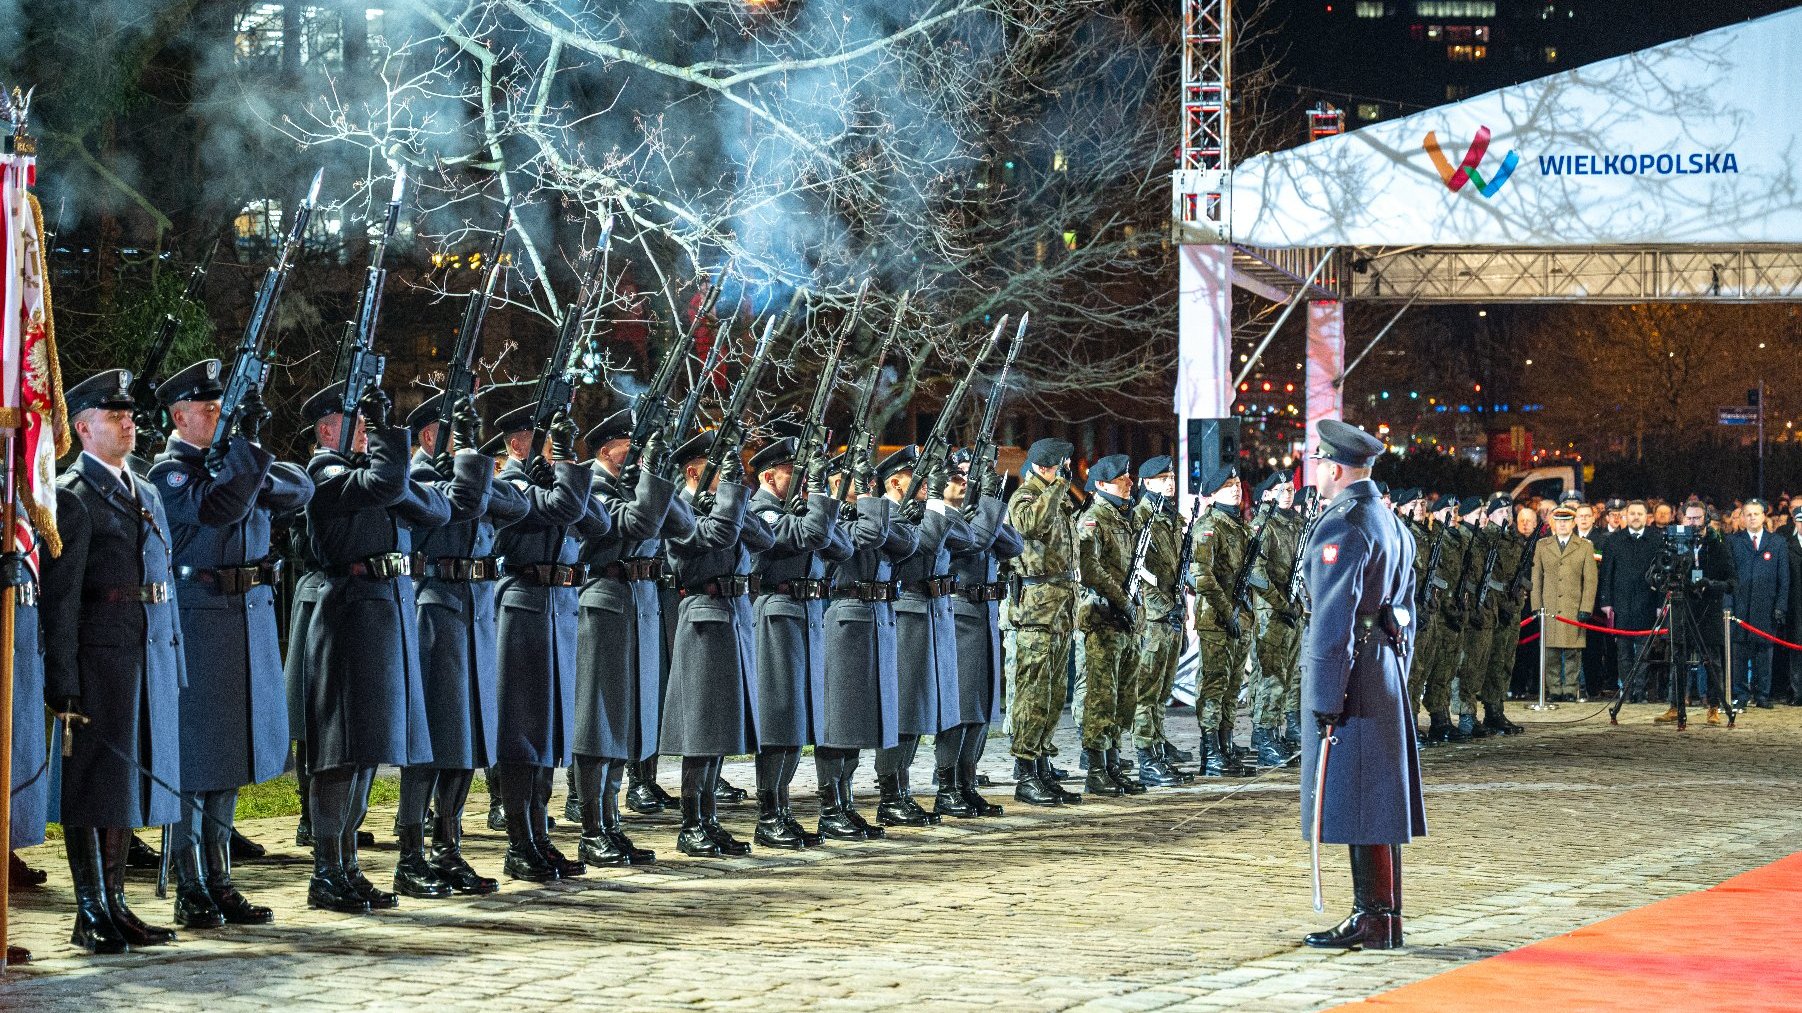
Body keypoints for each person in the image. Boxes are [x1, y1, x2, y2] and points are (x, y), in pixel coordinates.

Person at [149, 360, 313, 927]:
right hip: (200, 618)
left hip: (243, 615)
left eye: (224, 410)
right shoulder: (169, 474)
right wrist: (243, 456)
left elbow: (301, 488)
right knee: (198, 759)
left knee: (231, 756)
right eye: (210, 411)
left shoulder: (232, 465)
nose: (219, 419)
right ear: (179, 416)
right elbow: (220, 507)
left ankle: (218, 879)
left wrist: (249, 458)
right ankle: (190, 884)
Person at [42, 370, 187, 953]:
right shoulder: (72, 496)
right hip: (99, 659)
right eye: (113, 415)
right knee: (92, 783)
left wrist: (172, 658)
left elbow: (161, 582)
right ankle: (89, 910)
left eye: (129, 414)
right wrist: (64, 680)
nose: (128, 422)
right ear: (82, 427)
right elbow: (62, 599)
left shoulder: (145, 490)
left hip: (145, 652)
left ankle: (117, 903)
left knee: (126, 783)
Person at [294, 382, 449, 914]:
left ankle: (349, 867)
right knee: (339, 751)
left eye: (367, 422)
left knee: (366, 750)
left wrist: (393, 462)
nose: (364, 429)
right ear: (326, 430)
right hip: (347, 610)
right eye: (355, 420)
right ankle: (326, 871)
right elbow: (386, 481)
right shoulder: (324, 473)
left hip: (384, 610)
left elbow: (437, 511)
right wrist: (388, 437)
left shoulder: (371, 478)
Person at [1299, 419, 1425, 950]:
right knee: (1378, 796)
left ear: (1334, 467)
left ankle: (1372, 916)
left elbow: (1334, 619)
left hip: (1354, 673)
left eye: (1320, 465)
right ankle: (1384, 916)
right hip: (1384, 667)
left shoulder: (1343, 524)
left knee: (1356, 796)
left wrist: (1326, 697)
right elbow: (1409, 610)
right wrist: (1399, 664)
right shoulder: (1388, 521)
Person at [391, 395, 520, 897]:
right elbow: (450, 506)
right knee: (431, 738)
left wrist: (473, 466)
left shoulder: (469, 474)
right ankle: (411, 854)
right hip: (436, 607)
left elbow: (517, 503)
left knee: (470, 735)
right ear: (428, 435)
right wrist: (468, 473)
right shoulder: (415, 477)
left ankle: (449, 848)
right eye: (456, 430)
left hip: (476, 610)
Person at [570, 412, 685, 865]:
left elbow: (681, 525)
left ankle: (611, 822)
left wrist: (659, 475)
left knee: (626, 717)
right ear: (604, 450)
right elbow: (635, 524)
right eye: (627, 443)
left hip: (637, 603)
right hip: (603, 602)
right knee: (598, 718)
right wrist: (652, 478)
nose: (635, 448)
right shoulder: (593, 485)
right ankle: (591, 827)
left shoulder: (632, 483)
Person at [488, 404, 596, 881]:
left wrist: (563, 469)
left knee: (549, 729)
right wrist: (565, 468)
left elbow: (599, 523)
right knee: (522, 728)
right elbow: (565, 508)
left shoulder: (551, 480)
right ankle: (519, 843)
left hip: (555, 607)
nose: (558, 449)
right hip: (523, 604)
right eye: (550, 439)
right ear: (518, 443)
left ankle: (540, 837)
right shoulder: (508, 483)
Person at [661, 432, 772, 857]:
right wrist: (728, 498)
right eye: (720, 470)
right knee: (701, 727)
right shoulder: (679, 507)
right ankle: (691, 823)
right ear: (694, 471)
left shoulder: (722, 506)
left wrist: (733, 499)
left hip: (733, 615)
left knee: (720, 724)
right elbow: (719, 535)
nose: (731, 477)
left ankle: (709, 818)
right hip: (703, 616)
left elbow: (765, 539)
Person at [745, 438, 839, 846]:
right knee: (779, 714)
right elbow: (814, 533)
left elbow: (841, 543)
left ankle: (782, 810)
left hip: (804, 614)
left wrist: (813, 505)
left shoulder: (791, 512)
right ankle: (769, 814)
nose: (800, 480)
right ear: (769, 476)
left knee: (798, 716)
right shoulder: (759, 510)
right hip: (776, 612)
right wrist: (817, 495)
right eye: (792, 472)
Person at [816, 452, 901, 837]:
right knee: (839, 720)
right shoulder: (831, 518)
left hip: (868, 617)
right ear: (836, 482)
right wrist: (869, 499)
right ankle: (830, 806)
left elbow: (906, 542)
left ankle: (845, 801)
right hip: (843, 618)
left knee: (856, 720)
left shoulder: (869, 515)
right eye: (855, 479)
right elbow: (865, 538)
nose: (865, 486)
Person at [1004, 438, 1084, 805]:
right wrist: (1056, 488)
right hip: (1036, 610)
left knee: (1053, 695)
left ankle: (1041, 763)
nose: (1065, 471)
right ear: (1043, 466)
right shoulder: (1024, 496)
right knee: (1033, 691)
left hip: (1061, 609)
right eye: (1060, 465)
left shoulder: (1059, 495)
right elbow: (1031, 525)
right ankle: (1024, 770)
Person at [940, 449, 1019, 815]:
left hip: (983, 613)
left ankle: (967, 781)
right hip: (958, 612)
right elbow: (977, 540)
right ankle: (947, 786)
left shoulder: (976, 515)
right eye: (961, 475)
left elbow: (1012, 545)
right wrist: (986, 503)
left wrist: (987, 505)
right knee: (960, 705)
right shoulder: (944, 516)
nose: (966, 482)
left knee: (983, 704)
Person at [1073, 454, 1144, 796]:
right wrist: (1124, 600)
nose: (1129, 482)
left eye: (1129, 476)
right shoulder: (1093, 519)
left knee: (1124, 695)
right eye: (1122, 478)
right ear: (1101, 485)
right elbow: (1091, 570)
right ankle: (1096, 768)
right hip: (1103, 618)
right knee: (1102, 696)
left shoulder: (1124, 518)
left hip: (1125, 620)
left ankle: (1113, 762)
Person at [1189, 465, 1255, 778]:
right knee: (1214, 685)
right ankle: (1210, 752)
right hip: (1215, 617)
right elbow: (1202, 575)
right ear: (1213, 493)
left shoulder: (1240, 526)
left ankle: (1226, 746)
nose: (1235, 489)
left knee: (1231, 686)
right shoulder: (1209, 525)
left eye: (1237, 483)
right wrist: (1225, 609)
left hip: (1239, 616)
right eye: (1228, 485)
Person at [1129, 457, 1192, 784]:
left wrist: (1179, 603)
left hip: (1172, 612)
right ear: (1146, 483)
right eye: (1162, 478)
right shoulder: (1141, 518)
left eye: (1171, 477)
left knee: (1163, 687)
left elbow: (1176, 570)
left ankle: (1156, 744)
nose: (1170, 483)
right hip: (1154, 616)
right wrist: (1162, 606)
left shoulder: (1169, 519)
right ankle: (1146, 756)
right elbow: (1141, 573)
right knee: (1147, 689)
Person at [1250, 471, 1306, 767]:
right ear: (1268, 494)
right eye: (1281, 489)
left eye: (1290, 488)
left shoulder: (1297, 523)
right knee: (1271, 675)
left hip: (1292, 607)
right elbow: (1256, 573)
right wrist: (1281, 601)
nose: (1288, 492)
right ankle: (1264, 734)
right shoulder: (1262, 525)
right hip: (1271, 610)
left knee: (1286, 674)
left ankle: (1273, 732)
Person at [1530, 505, 1597, 701]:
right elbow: (1536, 578)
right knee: (1550, 652)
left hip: (1573, 606)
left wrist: (1586, 607)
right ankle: (1554, 690)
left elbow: (1590, 580)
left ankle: (1569, 689)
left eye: (1566, 521)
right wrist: (1536, 606)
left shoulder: (1584, 546)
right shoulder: (1542, 545)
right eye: (1559, 521)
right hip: (1549, 607)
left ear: (1573, 523)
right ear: (1553, 523)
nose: (1562, 525)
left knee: (1572, 652)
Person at [1727, 498, 1788, 709]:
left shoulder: (1777, 543)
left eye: (1756, 513)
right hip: (1740, 607)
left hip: (1766, 607)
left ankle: (1763, 695)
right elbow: (1729, 576)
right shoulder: (1733, 541)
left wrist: (1781, 606)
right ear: (1743, 517)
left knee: (1764, 654)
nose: (1752, 517)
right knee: (1739, 655)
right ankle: (1741, 694)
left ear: (1764, 516)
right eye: (1748, 514)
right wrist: (1728, 606)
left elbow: (1784, 578)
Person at [1418, 496, 1470, 743]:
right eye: (1447, 510)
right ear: (1435, 514)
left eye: (1456, 510)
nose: (1453, 514)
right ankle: (1416, 720)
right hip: (1436, 610)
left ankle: (1442, 717)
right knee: (1422, 669)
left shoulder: (1457, 540)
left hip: (1449, 610)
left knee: (1446, 668)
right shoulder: (1433, 538)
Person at [1599, 501, 1660, 701]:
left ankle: (1640, 691)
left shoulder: (1656, 540)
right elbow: (1606, 573)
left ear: (1646, 517)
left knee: (1644, 651)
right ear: (1626, 516)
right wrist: (1606, 601)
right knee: (1623, 652)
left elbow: (1661, 575)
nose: (1635, 517)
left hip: (1647, 602)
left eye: (1639, 513)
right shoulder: (1614, 540)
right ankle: (1626, 689)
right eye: (1632, 513)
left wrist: (1660, 603)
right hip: (1621, 603)